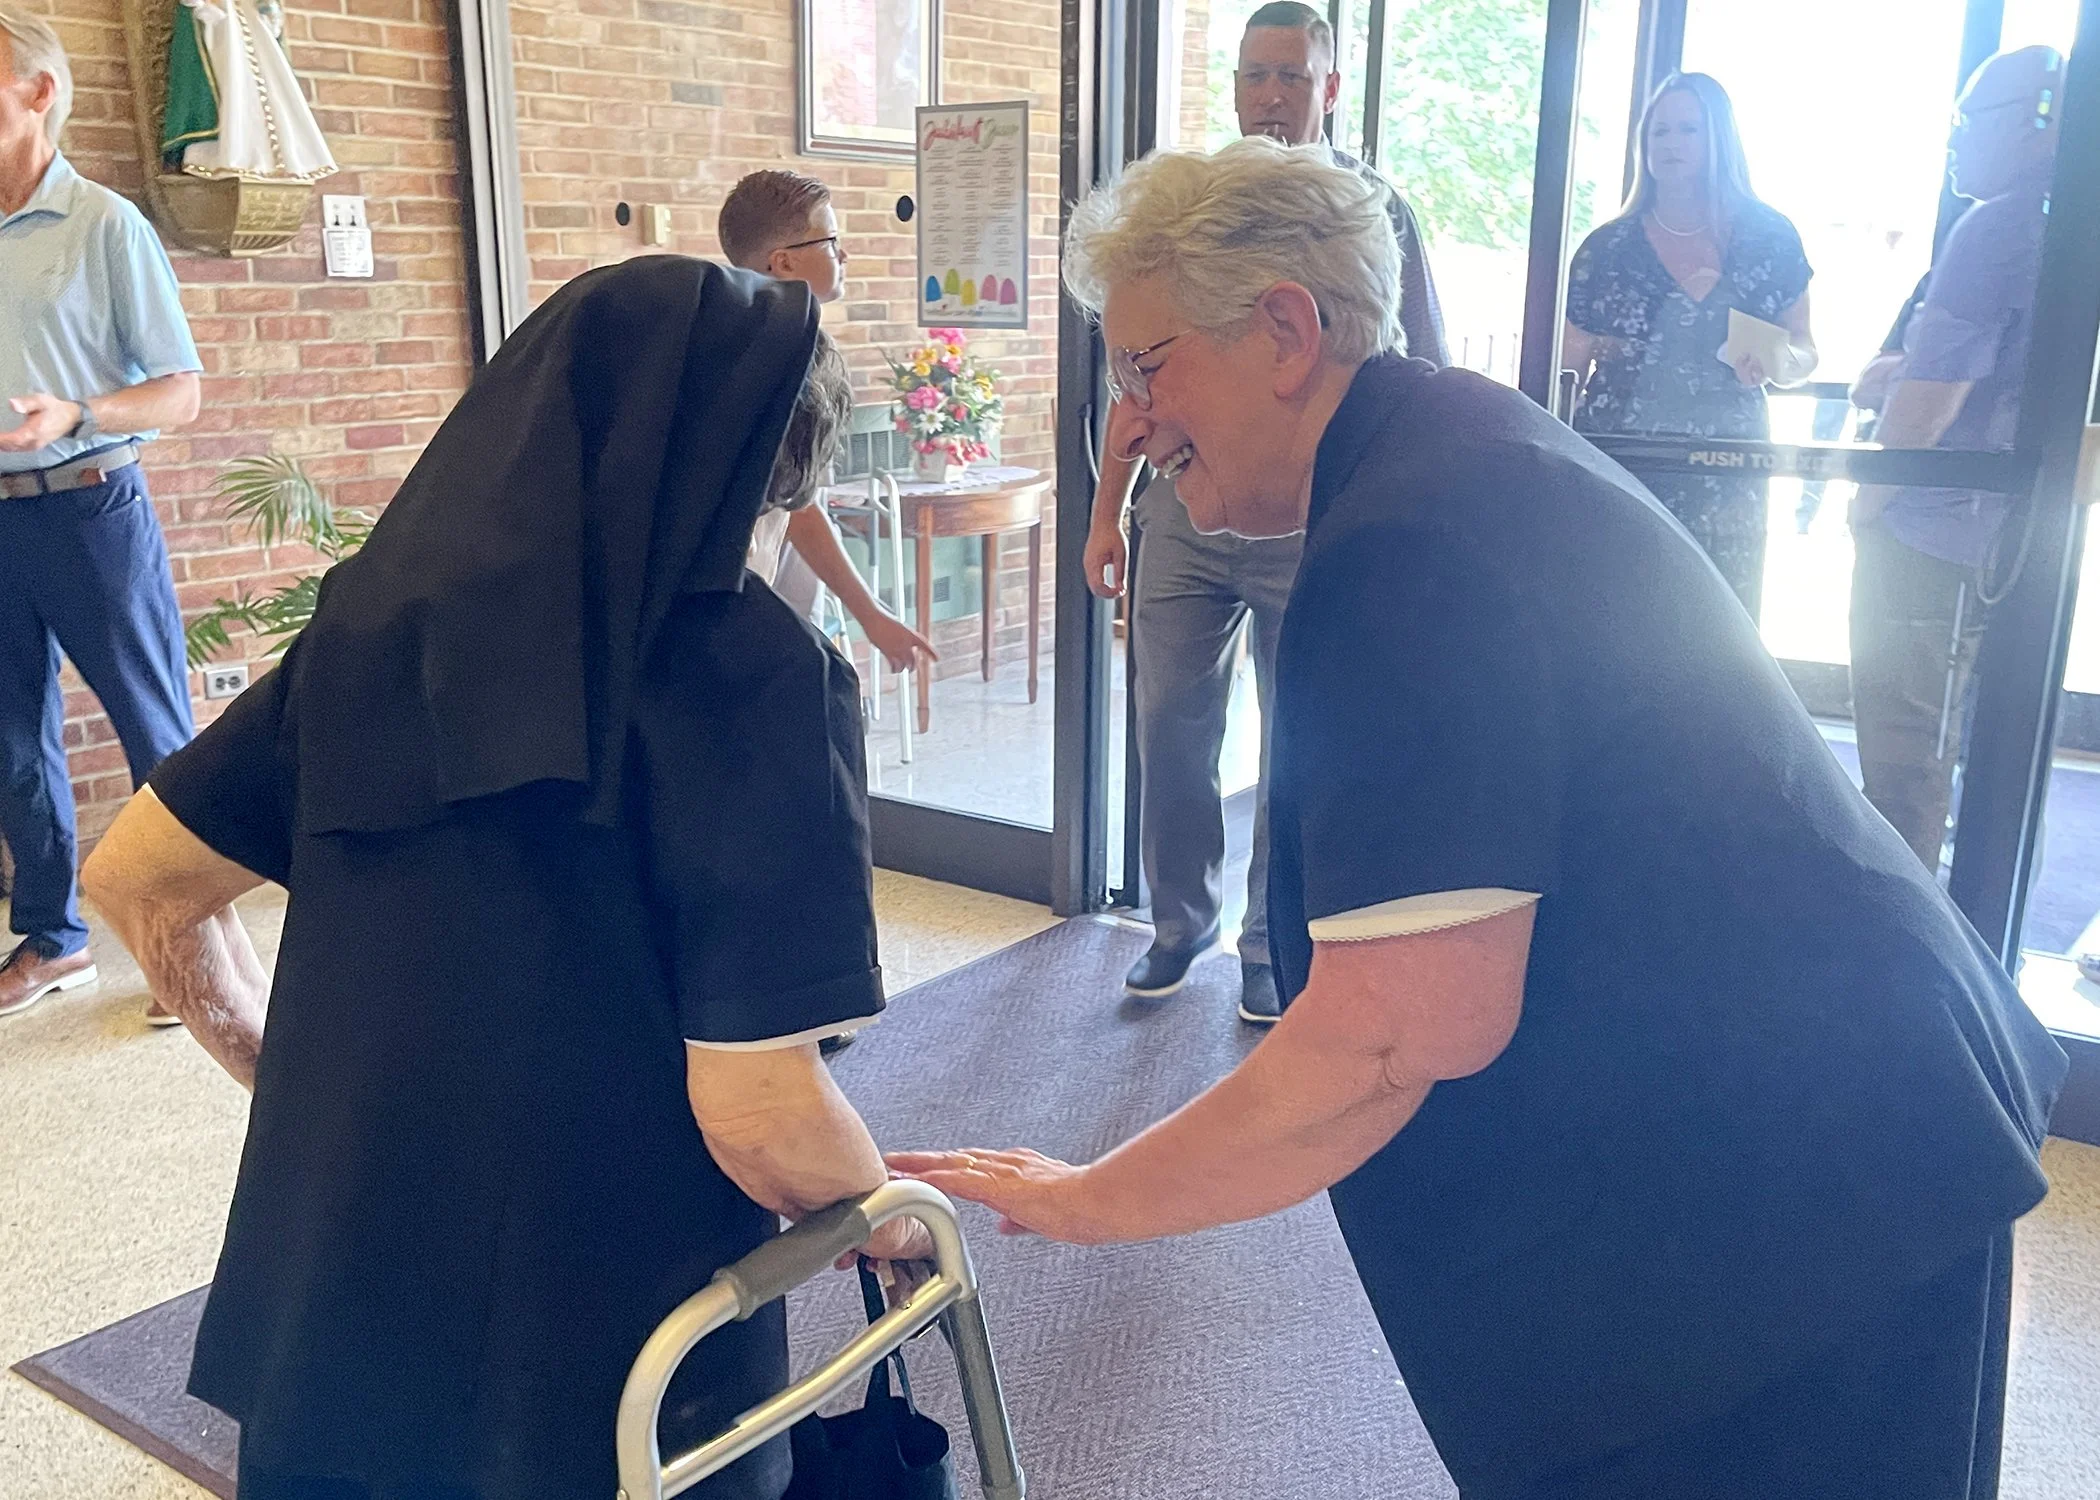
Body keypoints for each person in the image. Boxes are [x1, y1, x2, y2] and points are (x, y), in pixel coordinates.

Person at [894, 138, 2065, 1500]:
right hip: (1831, 1117)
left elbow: (1399, 1033)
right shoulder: (1451, 442)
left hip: (1804, 1196)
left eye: (1148, 368)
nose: (1134, 424)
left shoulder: (1409, 545)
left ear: (1284, 329)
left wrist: (1079, 1199)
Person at [82, 258, 929, 1500]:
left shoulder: (374, 629)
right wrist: (887, 1212)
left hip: (339, 1299)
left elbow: (138, 882)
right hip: (605, 1355)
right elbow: (758, 1114)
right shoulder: (754, 671)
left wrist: (285, 1063)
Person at [1083, 0, 1449, 1024]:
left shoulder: (1373, 212)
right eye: (1254, 74)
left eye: (1292, 75)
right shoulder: (1194, 212)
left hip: (1305, 526)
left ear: (1330, 88)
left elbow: (1419, 363)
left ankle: (1266, 944)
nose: (1271, 95)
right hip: (1184, 518)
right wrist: (1107, 510)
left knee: (1297, 737)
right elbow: (1136, 377)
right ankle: (1177, 920)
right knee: (1168, 724)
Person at [0, 9, 202, 1021]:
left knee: (151, 726)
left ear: (38, 93)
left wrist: (76, 411)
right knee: (9, 738)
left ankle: (190, 939)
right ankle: (52, 937)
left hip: (90, 509)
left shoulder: (106, 226)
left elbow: (180, 392)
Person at [1850, 46, 2064, 872]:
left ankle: (1899, 949)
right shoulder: (2061, 226)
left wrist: (1864, 502)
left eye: (1969, 119)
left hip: (1931, 533)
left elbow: (1930, 403)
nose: (1956, 141)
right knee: (1979, 749)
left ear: (2033, 123)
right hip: (2015, 534)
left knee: (1905, 759)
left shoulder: (1999, 226)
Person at [1563, 72, 1817, 622]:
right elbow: (1563, 367)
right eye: (1659, 132)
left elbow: (1805, 352)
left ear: (1718, 139)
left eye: (1687, 130)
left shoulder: (1768, 237)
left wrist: (1772, 361)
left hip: (1726, 465)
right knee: (1616, 618)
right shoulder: (1608, 246)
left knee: (1720, 627)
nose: (1671, 144)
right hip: (1622, 463)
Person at [718, 168, 938, 678]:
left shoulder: (732, 341)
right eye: (831, 239)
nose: (844, 254)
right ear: (784, 262)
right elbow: (799, 505)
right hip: (748, 602)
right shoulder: (780, 361)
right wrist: (872, 615)